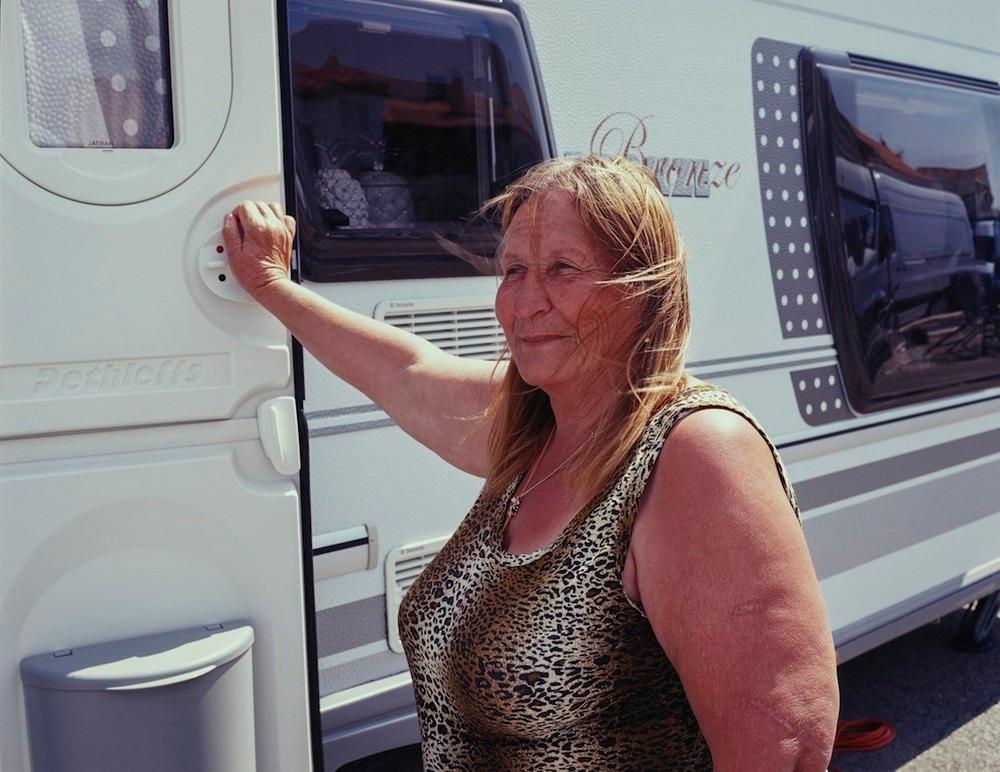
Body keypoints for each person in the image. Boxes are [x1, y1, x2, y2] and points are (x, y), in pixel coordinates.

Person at [223, 155, 839, 771]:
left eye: (563, 269)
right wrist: (272, 285)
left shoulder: (694, 453)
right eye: (513, 270)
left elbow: (785, 745)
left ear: (644, 288)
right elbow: (406, 372)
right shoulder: (537, 426)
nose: (526, 302)